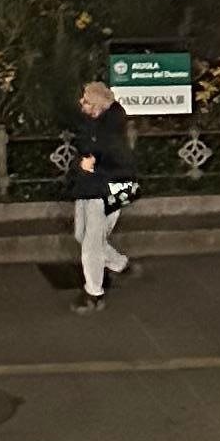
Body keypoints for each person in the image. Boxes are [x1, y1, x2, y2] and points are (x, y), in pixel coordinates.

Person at [70, 77, 137, 307]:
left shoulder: (112, 130)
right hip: (93, 186)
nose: (82, 104)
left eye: (87, 101)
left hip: (106, 187)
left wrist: (94, 166)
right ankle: (119, 264)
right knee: (83, 236)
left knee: (91, 243)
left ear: (97, 105)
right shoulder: (96, 124)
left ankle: (94, 293)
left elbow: (122, 163)